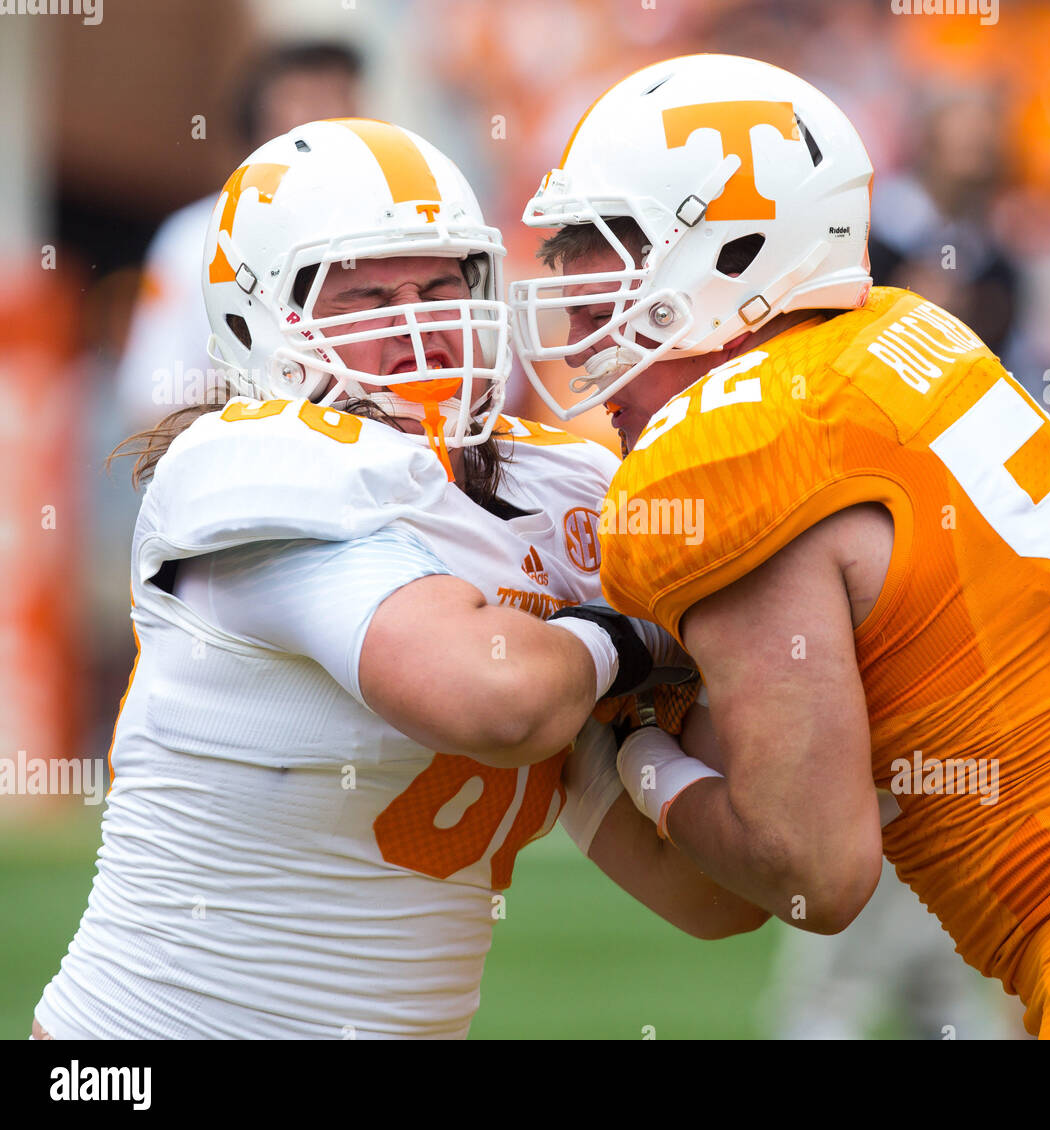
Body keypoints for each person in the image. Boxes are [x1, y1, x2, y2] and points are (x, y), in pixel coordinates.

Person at [510, 54, 1050, 1039]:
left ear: (729, 262)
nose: (583, 348)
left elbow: (815, 871)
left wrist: (628, 748)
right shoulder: (902, 342)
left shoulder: (744, 449)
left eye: (605, 304)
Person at [34, 118, 763, 1041]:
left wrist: (705, 717)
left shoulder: (558, 496)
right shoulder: (256, 468)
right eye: (369, 300)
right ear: (263, 326)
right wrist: (650, 634)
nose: (418, 329)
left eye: (438, 287)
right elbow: (493, 696)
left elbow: (711, 897)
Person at [115, 40, 364, 431]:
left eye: (344, 97)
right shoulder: (192, 239)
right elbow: (153, 399)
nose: (335, 115)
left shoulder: (396, 219)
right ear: (256, 128)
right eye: (312, 100)